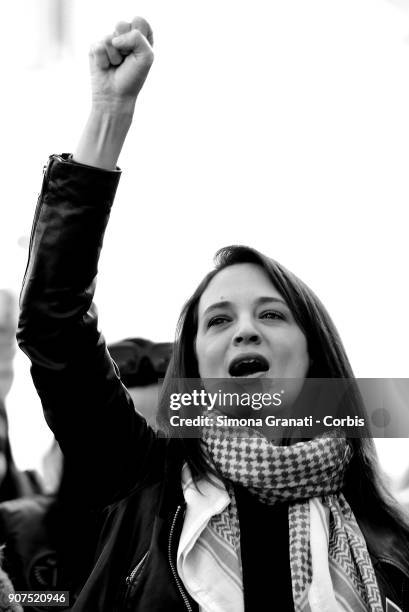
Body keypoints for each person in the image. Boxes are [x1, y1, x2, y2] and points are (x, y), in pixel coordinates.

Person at [17, 17, 409, 612]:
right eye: (218, 320)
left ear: (314, 353)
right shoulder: (146, 477)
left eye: (272, 315)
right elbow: (53, 323)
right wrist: (108, 115)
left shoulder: (392, 543)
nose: (245, 328)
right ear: (195, 365)